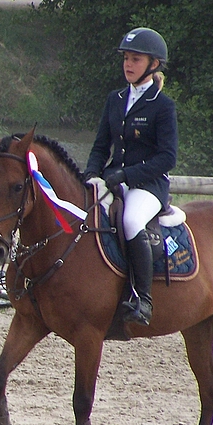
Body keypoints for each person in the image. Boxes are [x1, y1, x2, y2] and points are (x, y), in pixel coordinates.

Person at [84, 27, 178, 327]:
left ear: (153, 64)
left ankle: (143, 299)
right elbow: (101, 145)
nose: (128, 64)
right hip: (114, 178)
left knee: (131, 221)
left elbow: (168, 157)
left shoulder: (163, 106)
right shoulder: (116, 98)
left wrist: (128, 174)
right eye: (126, 58)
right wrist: (90, 173)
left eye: (135, 59)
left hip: (148, 184)